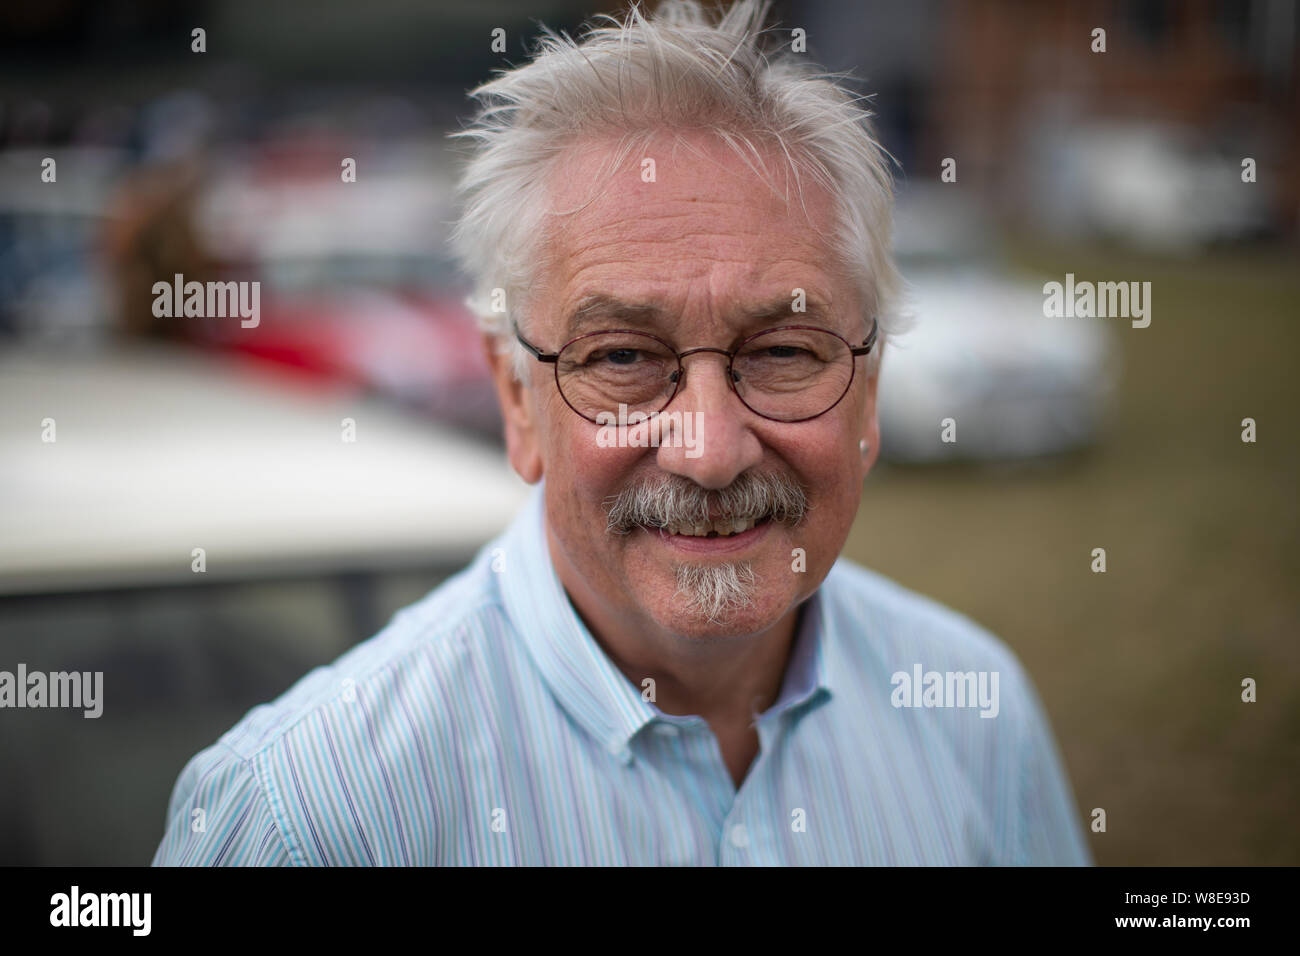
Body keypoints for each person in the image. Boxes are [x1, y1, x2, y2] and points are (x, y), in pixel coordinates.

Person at [153, 0, 1090, 865]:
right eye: (623, 360)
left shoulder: (975, 709)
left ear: (870, 395)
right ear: (518, 402)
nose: (711, 448)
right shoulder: (303, 820)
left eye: (784, 352)